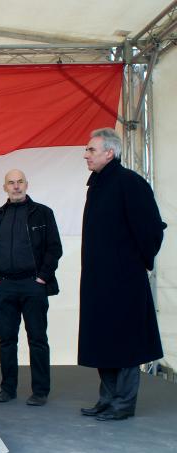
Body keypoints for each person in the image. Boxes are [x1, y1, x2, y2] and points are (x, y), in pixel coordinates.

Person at [78, 128, 166, 421]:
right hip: (99, 281)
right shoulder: (98, 185)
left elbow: (151, 228)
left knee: (126, 341)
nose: (86, 154)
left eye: (91, 150)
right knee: (104, 339)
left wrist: (133, 263)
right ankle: (108, 398)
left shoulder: (130, 183)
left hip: (124, 280)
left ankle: (124, 403)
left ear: (109, 153)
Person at [0, 169, 62, 406]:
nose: (16, 186)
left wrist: (42, 278)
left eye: (19, 182)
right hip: (5, 286)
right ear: (4, 187)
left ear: (27, 185)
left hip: (33, 285)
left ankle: (40, 391)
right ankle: (7, 389)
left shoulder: (42, 213)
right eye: (11, 183)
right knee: (6, 340)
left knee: (37, 339)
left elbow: (54, 248)